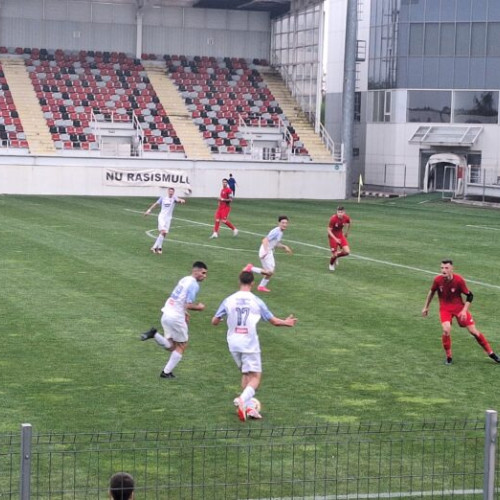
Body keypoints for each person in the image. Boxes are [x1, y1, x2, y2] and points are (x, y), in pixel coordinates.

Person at [212, 270, 297, 421]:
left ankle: (249, 408)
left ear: (239, 281)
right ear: (252, 283)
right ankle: (242, 400)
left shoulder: (228, 300)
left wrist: (222, 320)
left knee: (246, 374)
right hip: (249, 343)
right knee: (256, 377)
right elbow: (274, 321)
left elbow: (214, 321)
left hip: (233, 343)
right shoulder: (256, 301)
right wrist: (287, 322)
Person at [422, 259, 500, 365]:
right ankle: (449, 357)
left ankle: (491, 353)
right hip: (445, 309)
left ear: (451, 269)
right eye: (442, 268)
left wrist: (464, 311)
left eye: (446, 268)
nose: (443, 270)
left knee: (474, 332)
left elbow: (470, 296)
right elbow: (431, 292)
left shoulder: (459, 280)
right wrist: (426, 307)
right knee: (446, 330)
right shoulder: (437, 280)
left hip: (459, 308)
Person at [140, 261, 207, 378]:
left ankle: (154, 334)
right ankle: (166, 373)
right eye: (203, 273)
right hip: (175, 317)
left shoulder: (185, 279)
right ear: (195, 271)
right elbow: (188, 304)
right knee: (182, 345)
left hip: (166, 313)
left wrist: (185, 312)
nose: (204, 276)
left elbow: (178, 298)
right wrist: (199, 308)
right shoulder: (194, 284)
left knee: (171, 345)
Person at [246, 215, 292, 293]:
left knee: (268, 272)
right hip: (266, 251)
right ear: (279, 223)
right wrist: (266, 251)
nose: (284, 224)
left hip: (267, 250)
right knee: (270, 272)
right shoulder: (276, 231)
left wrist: (284, 247)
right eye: (283, 223)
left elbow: (275, 243)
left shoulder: (280, 232)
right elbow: (265, 240)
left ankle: (261, 286)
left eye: (286, 223)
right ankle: (251, 268)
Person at [144, 187, 186, 254]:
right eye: (170, 191)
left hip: (168, 218)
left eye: (172, 192)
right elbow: (156, 204)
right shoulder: (163, 198)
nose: (171, 193)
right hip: (162, 217)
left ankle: (159, 248)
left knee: (165, 233)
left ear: (173, 192)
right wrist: (149, 210)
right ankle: (154, 247)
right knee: (163, 231)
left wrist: (182, 201)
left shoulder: (174, 198)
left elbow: (179, 200)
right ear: (168, 191)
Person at [327, 205, 351, 271]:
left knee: (347, 252)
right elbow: (328, 230)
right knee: (334, 255)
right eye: (338, 212)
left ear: (344, 212)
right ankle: (331, 264)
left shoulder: (346, 217)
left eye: (341, 212)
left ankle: (337, 255)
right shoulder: (333, 219)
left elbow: (349, 223)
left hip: (340, 235)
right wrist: (335, 239)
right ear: (337, 212)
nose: (340, 213)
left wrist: (346, 232)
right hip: (332, 236)